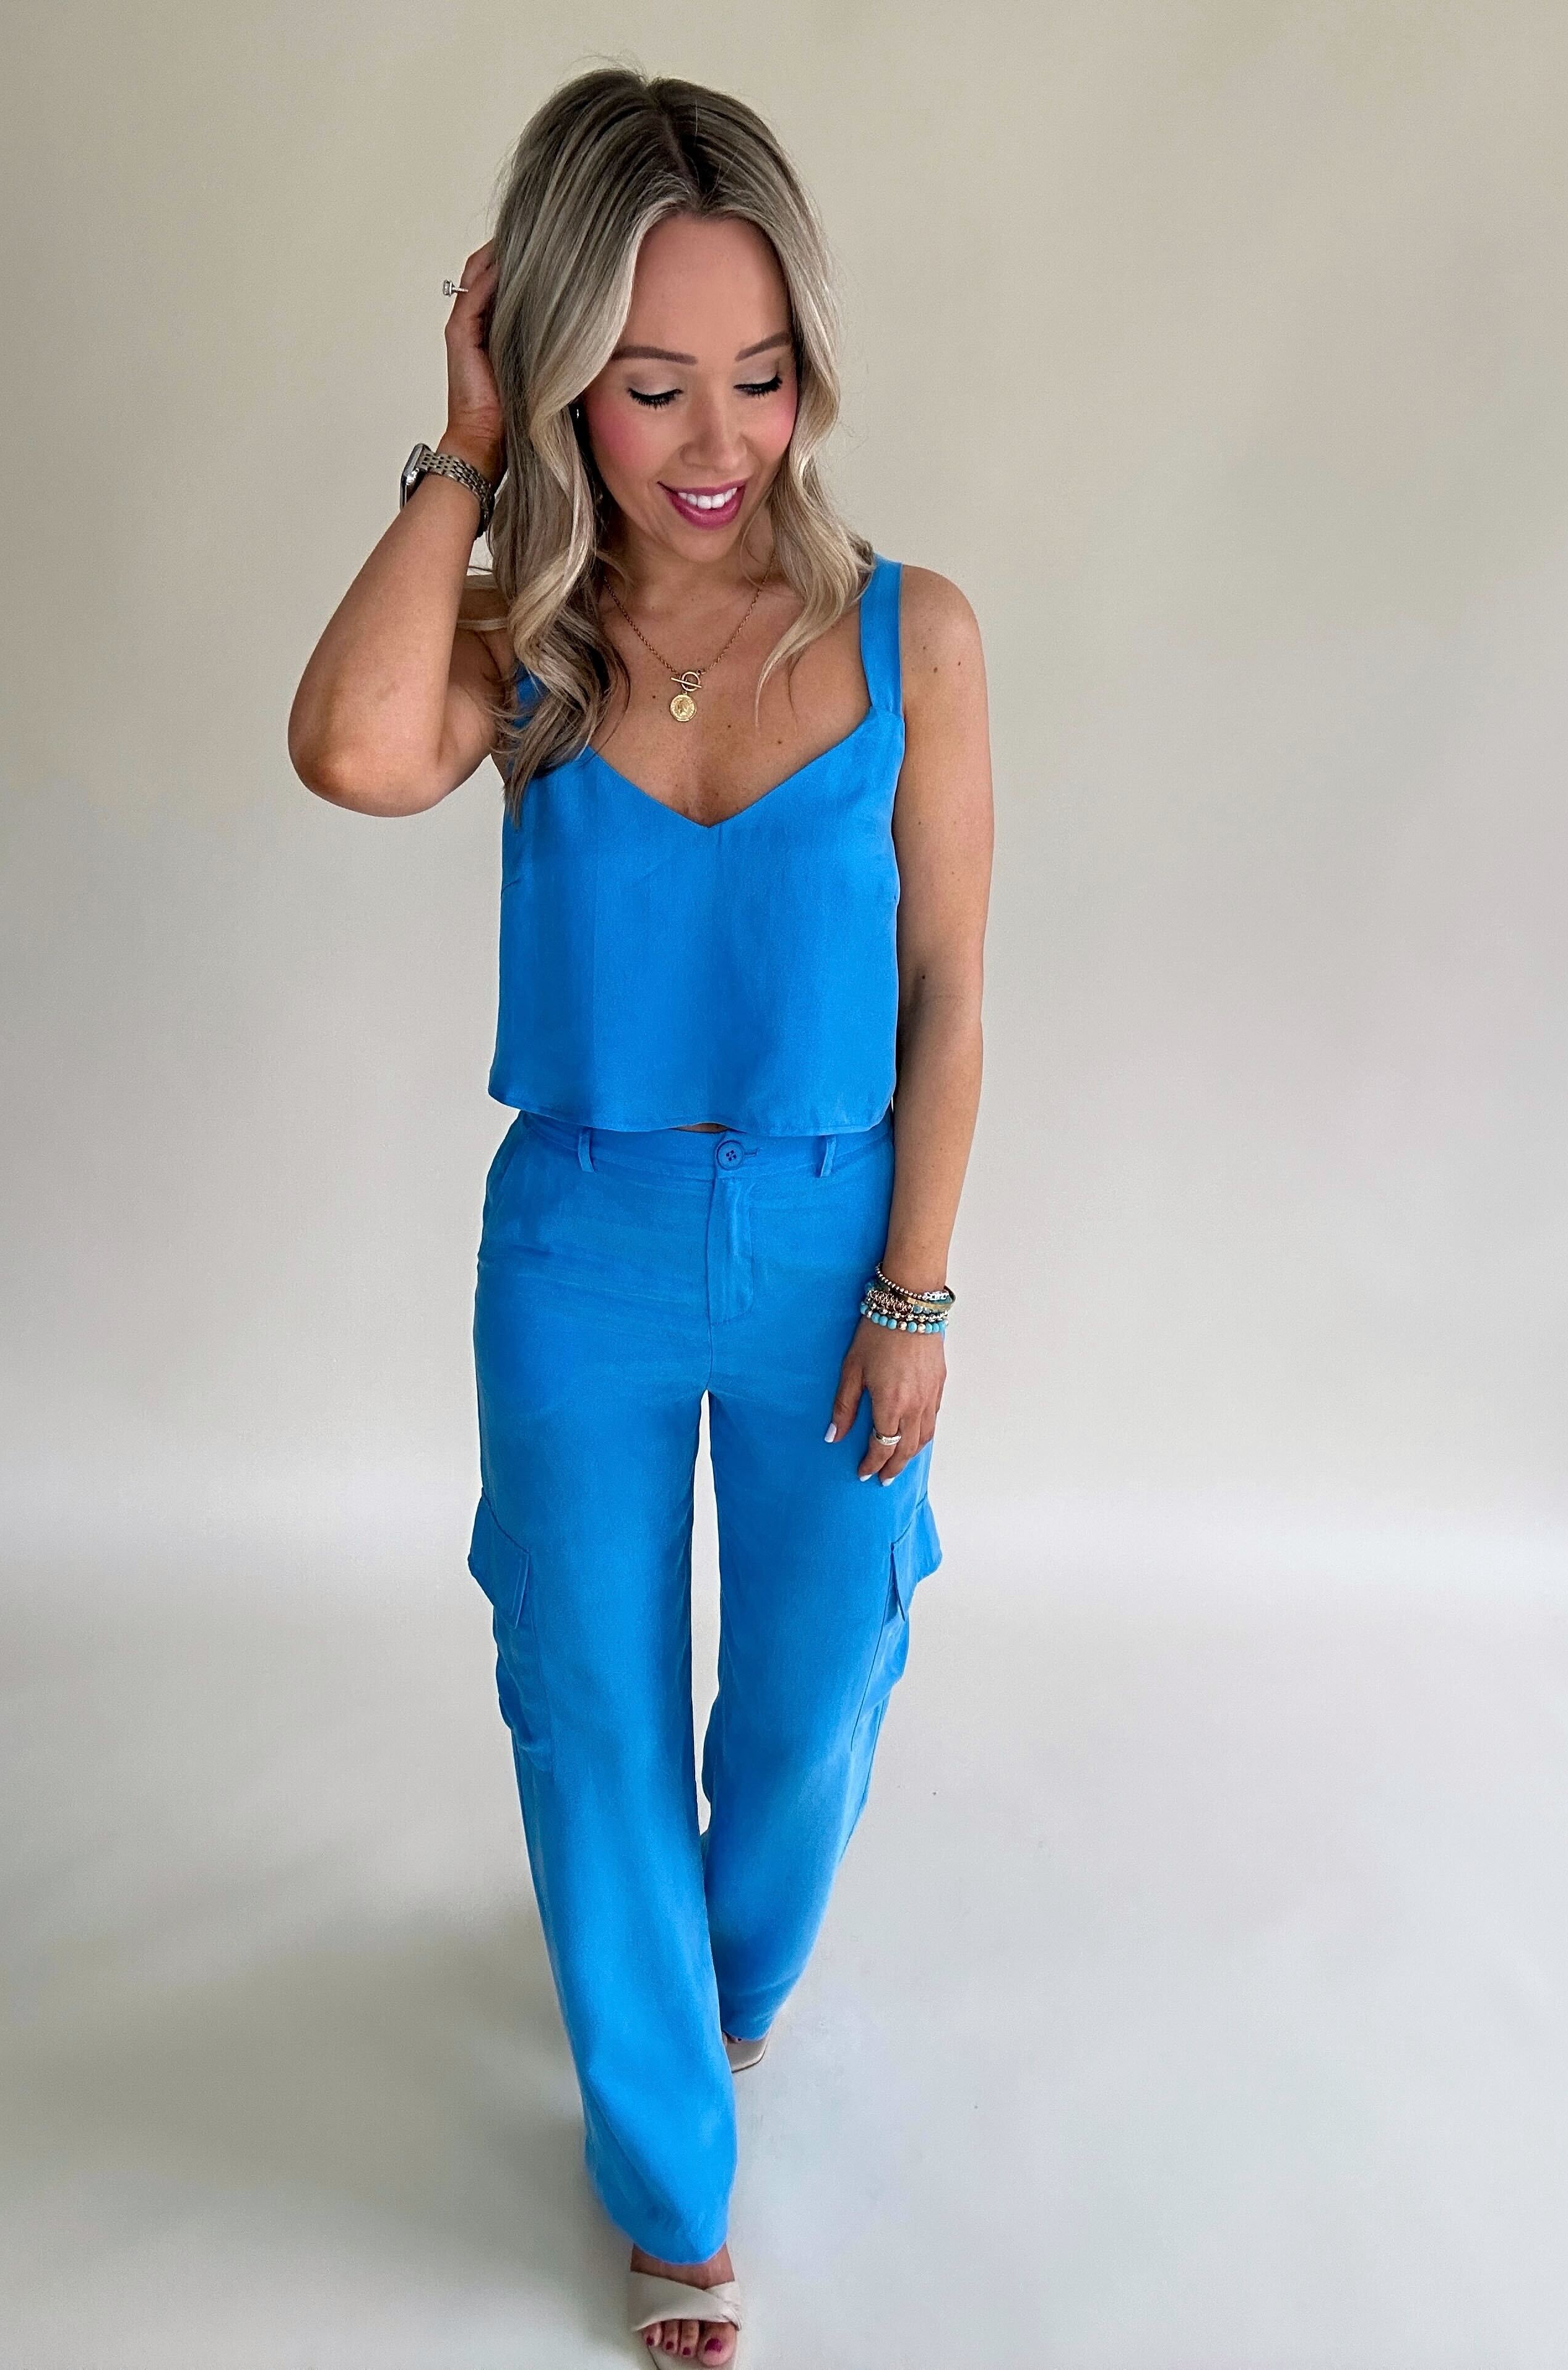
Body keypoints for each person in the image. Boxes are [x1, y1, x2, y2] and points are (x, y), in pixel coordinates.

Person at [287, 65, 992, 2369]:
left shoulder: (910, 635)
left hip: (830, 1246)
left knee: (809, 1700)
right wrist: (465, 449)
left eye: (760, 375)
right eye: (649, 378)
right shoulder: (528, 636)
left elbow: (950, 992)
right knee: (589, 1705)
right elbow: (348, 749)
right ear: (565, 366)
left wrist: (914, 1293)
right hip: (575, 1251)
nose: (715, 439)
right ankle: (675, 2187)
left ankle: (726, 1983)